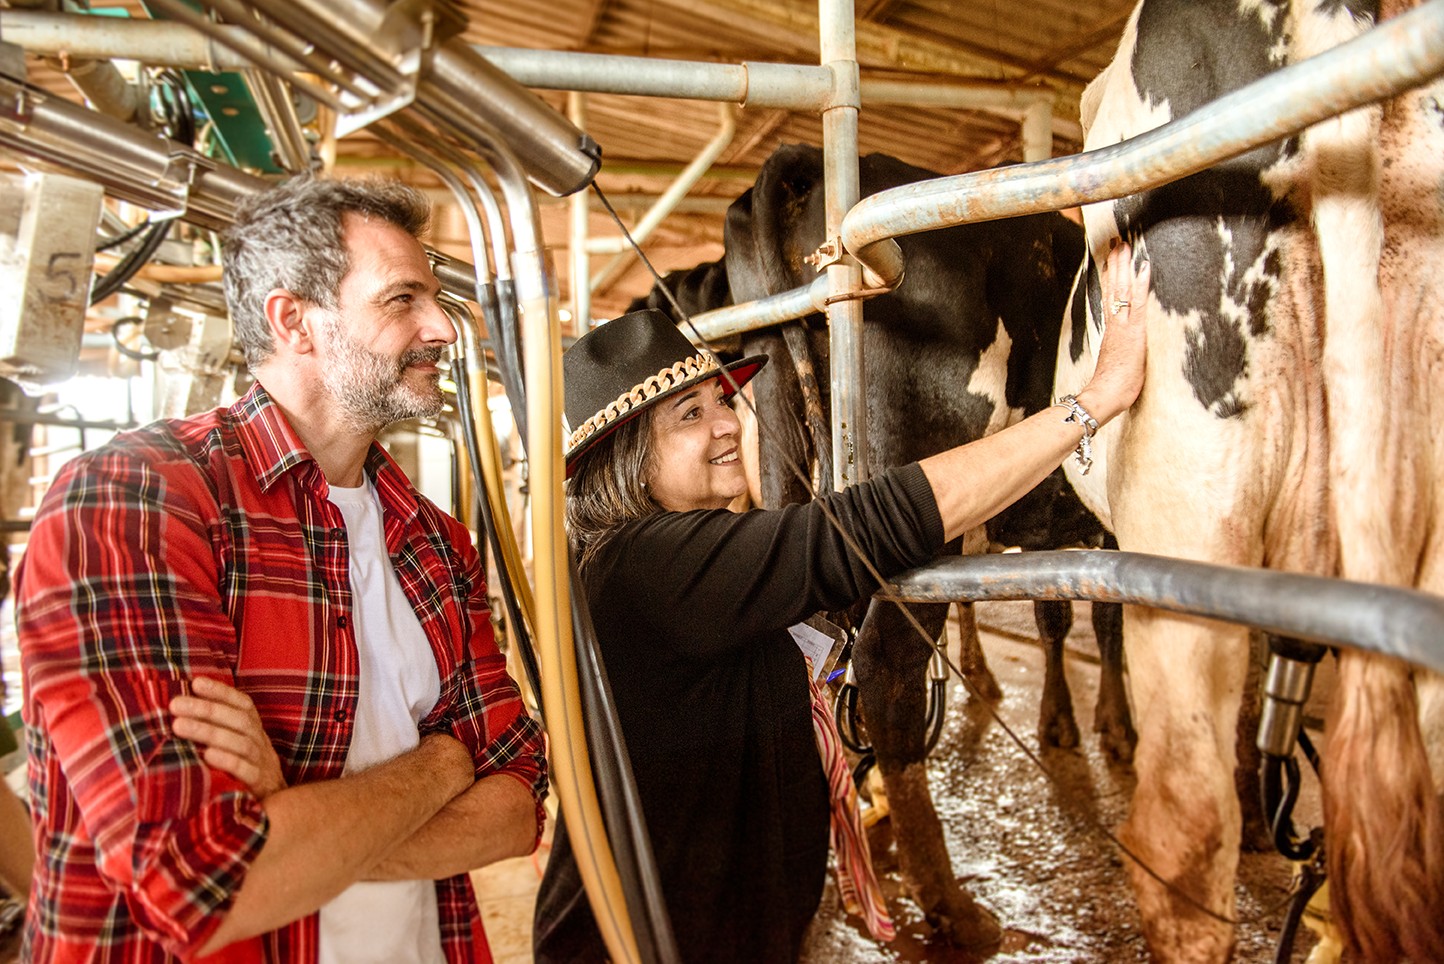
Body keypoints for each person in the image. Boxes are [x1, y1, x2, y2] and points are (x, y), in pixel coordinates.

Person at [533, 244, 1150, 962]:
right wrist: (1093, 402)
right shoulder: (647, 566)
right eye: (689, 414)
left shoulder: (660, 562)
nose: (729, 423)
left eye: (723, 400)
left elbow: (829, 579)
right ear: (624, 455)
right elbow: (871, 524)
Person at [15, 177, 547, 962]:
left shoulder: (433, 539)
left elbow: (516, 811)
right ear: (294, 320)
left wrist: (297, 816)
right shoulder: (139, 500)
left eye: (434, 297)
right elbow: (210, 883)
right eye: (402, 300)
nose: (441, 327)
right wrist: (443, 762)